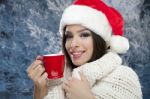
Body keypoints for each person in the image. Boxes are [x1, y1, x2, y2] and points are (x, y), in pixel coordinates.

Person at [27, 0, 142, 99]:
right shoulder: (55, 79)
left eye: (84, 35)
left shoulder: (125, 78)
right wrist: (40, 89)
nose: (73, 44)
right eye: (69, 36)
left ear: (100, 40)